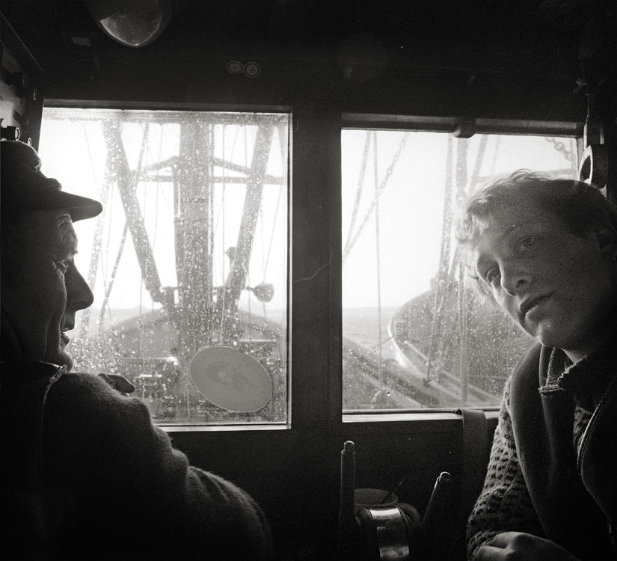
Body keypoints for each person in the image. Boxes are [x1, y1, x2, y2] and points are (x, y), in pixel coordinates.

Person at [0, 140, 272, 561]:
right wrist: (106, 409)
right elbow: (246, 535)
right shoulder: (71, 413)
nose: (83, 294)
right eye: (60, 261)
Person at [456, 170, 617, 561]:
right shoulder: (527, 388)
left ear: (601, 238)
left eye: (525, 242)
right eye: (491, 275)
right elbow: (490, 526)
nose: (509, 282)